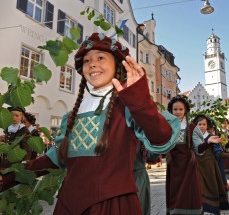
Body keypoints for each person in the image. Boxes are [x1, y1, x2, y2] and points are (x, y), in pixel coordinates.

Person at [0, 33, 180, 215]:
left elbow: (161, 138)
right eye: (87, 61)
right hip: (70, 205)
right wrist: (8, 177)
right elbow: (55, 158)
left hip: (114, 206)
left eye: (101, 58)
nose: (92, 63)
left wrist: (139, 99)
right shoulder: (73, 114)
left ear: (117, 66)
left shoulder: (129, 106)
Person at [194, 115, 229, 214]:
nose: (202, 126)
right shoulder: (192, 137)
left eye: (204, 124)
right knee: (198, 189)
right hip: (196, 166)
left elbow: (218, 152)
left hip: (209, 167)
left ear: (207, 126)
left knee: (211, 188)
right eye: (199, 124)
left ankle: (213, 209)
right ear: (196, 125)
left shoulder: (211, 137)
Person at [166, 95, 203, 215]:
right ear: (171, 111)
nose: (177, 112)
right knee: (175, 193)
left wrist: (208, 142)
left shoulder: (192, 127)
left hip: (189, 165)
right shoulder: (166, 127)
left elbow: (199, 147)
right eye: (175, 109)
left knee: (190, 193)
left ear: (185, 110)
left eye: (180, 109)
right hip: (174, 165)